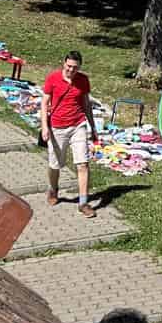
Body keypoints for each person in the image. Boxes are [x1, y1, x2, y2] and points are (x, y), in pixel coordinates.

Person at [42, 50, 99, 219]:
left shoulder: (83, 80)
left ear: (79, 67)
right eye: (68, 66)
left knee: (82, 164)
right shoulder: (52, 78)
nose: (71, 70)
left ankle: (83, 202)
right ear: (63, 63)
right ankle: (53, 189)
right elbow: (44, 103)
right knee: (55, 165)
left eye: (75, 68)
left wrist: (92, 127)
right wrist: (45, 126)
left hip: (78, 125)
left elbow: (86, 104)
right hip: (57, 127)